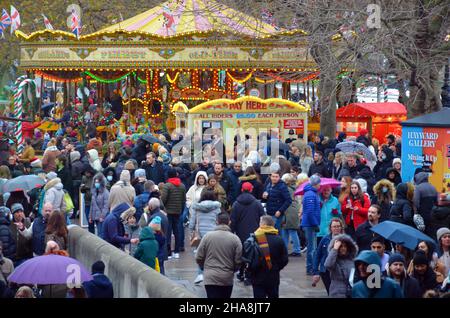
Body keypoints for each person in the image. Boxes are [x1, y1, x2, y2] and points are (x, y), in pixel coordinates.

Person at [195, 212, 242, 298]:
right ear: (229, 222)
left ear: (216, 222)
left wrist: (204, 268)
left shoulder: (207, 237)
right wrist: (233, 269)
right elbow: (238, 259)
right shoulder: (235, 239)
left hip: (210, 277)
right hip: (227, 277)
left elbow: (198, 256)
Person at [231, 182, 265, 283]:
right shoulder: (257, 203)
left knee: (242, 253)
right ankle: (249, 275)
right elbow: (263, 218)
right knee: (253, 254)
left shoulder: (236, 204)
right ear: (251, 190)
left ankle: (241, 273)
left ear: (242, 190)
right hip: (255, 233)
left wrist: (232, 232)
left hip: (240, 233)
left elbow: (233, 220)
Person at [248, 216, 288, 298]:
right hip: (273, 276)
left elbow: (248, 258)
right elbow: (285, 259)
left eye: (260, 222)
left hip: (257, 276)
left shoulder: (254, 239)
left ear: (263, 224)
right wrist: (276, 267)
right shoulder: (279, 239)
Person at [312, 218, 345, 295]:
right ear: (330, 228)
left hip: (340, 271)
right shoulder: (325, 239)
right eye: (334, 226)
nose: (336, 228)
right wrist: (315, 272)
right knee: (330, 292)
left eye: (338, 226)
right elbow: (317, 255)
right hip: (326, 271)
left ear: (341, 227)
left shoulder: (346, 239)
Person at [160, 168, 186, 259]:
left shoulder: (167, 186)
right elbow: (183, 200)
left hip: (168, 212)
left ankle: (168, 252)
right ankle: (177, 251)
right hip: (178, 211)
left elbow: (163, 199)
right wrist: (181, 210)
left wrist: (163, 209)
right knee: (177, 231)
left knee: (168, 232)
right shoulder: (182, 186)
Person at [301, 175, 322, 275]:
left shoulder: (311, 193)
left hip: (310, 224)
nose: (320, 185)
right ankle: (311, 268)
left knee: (312, 247)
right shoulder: (311, 194)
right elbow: (309, 212)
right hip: (310, 225)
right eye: (319, 183)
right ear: (316, 184)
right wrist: (315, 224)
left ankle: (311, 267)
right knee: (311, 248)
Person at [281, 174, 302, 257]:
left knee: (290, 231)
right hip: (292, 210)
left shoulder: (287, 189)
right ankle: (287, 249)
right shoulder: (293, 188)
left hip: (289, 211)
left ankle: (296, 250)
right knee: (288, 231)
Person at [413, 172, 439, 238]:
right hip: (433, 214)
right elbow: (437, 201)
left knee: (423, 233)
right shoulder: (433, 187)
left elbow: (416, 202)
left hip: (423, 213)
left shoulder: (418, 188)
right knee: (431, 232)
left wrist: (416, 211)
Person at [90, 173, 109, 238]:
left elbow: (106, 206)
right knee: (98, 233)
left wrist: (102, 216)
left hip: (101, 217)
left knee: (101, 234)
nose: (96, 184)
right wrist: (90, 216)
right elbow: (92, 205)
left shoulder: (105, 192)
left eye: (97, 182)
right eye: (95, 182)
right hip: (95, 216)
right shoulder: (94, 192)